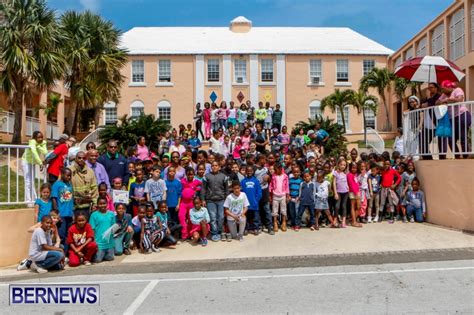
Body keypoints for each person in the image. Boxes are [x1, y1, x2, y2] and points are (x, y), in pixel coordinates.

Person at [436, 80, 471, 159]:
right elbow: (437, 102)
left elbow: (460, 99)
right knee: (450, 139)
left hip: (462, 115)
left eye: (443, 88)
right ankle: (457, 155)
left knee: (463, 137)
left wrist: (447, 100)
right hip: (452, 118)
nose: (442, 90)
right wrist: (442, 100)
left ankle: (466, 156)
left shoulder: (457, 90)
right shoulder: (444, 94)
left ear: (448, 87)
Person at [201, 161, 228, 242]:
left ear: (219, 167)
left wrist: (227, 200)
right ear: (211, 167)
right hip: (210, 200)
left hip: (221, 200)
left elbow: (226, 190)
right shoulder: (206, 176)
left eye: (216, 165)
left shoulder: (224, 176)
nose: (214, 167)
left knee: (221, 217)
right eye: (213, 166)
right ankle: (214, 233)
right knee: (213, 218)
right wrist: (203, 199)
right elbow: (203, 189)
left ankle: (220, 232)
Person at [22, 131, 47, 204]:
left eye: (41, 137)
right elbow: (34, 152)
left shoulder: (43, 142)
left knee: (32, 181)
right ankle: (28, 200)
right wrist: (40, 163)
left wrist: (39, 146)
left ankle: (34, 199)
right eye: (38, 137)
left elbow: (45, 152)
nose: (40, 139)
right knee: (28, 181)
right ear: (35, 138)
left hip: (32, 162)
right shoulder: (32, 142)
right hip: (26, 161)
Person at [51, 167, 74, 250]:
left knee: (68, 235)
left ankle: (66, 254)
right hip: (61, 215)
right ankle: (60, 253)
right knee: (61, 235)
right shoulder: (56, 184)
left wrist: (73, 213)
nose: (69, 177)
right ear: (62, 175)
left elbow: (71, 199)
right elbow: (54, 199)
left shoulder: (69, 184)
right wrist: (57, 214)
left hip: (69, 214)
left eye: (70, 176)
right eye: (67, 175)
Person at [89, 196, 116, 262]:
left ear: (107, 204)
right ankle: (98, 254)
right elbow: (92, 229)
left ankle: (103, 254)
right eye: (100, 204)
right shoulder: (94, 215)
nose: (102, 205)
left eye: (104, 203)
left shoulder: (111, 214)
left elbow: (114, 227)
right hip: (99, 243)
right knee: (97, 260)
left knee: (110, 258)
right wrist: (94, 241)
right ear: (97, 204)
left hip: (109, 242)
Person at [179, 167, 202, 240]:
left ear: (194, 174)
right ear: (186, 174)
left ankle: (190, 234)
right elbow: (180, 190)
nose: (190, 176)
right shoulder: (182, 181)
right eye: (188, 175)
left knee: (190, 218)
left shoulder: (196, 181)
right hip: (183, 202)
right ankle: (184, 233)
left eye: (192, 174)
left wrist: (197, 189)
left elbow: (202, 186)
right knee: (181, 216)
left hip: (191, 203)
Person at [241, 165, 262, 235]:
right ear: (245, 172)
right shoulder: (243, 181)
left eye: (250, 171)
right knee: (246, 216)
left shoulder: (256, 181)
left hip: (254, 202)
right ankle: (247, 228)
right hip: (245, 203)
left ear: (253, 171)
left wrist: (256, 200)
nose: (249, 172)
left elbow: (259, 192)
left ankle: (255, 228)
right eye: (248, 171)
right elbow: (241, 192)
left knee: (255, 217)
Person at [269, 162, 289, 232]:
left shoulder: (285, 176)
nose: (276, 171)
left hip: (283, 195)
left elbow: (287, 186)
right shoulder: (273, 176)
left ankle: (284, 222)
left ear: (281, 169)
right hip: (275, 195)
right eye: (275, 169)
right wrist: (270, 195)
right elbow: (271, 186)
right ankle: (275, 223)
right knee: (275, 210)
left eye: (277, 169)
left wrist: (287, 195)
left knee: (283, 210)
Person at [333, 159, 349, 228]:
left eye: (344, 165)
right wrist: (335, 193)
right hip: (338, 192)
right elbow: (334, 183)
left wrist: (348, 186)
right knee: (337, 206)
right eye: (341, 165)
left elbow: (347, 181)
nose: (343, 166)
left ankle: (343, 222)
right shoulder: (335, 173)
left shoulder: (346, 173)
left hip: (345, 192)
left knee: (344, 206)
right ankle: (335, 220)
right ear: (338, 165)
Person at [347, 162, 362, 228]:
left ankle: (353, 220)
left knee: (358, 207)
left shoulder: (354, 174)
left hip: (357, 192)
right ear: (350, 168)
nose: (354, 169)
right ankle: (353, 222)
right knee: (353, 206)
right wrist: (356, 193)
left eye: (355, 168)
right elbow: (351, 185)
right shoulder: (349, 175)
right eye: (353, 168)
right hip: (353, 192)